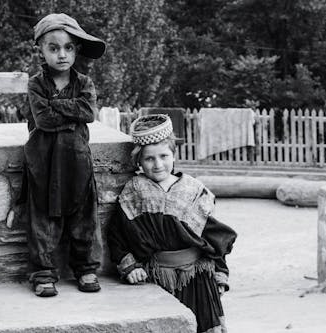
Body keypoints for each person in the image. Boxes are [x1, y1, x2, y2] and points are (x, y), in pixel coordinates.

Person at [107, 114, 237, 333]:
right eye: (149, 159)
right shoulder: (134, 191)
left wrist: (220, 273)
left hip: (199, 278)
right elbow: (117, 234)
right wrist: (130, 266)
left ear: (173, 155)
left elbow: (215, 238)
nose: (158, 164)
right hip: (157, 278)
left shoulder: (194, 190)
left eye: (164, 156)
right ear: (138, 161)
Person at [21, 13, 106, 297]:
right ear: (41, 51)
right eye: (53, 47)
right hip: (43, 162)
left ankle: (86, 268)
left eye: (68, 47)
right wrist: (70, 111)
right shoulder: (36, 84)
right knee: (43, 219)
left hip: (77, 160)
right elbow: (43, 119)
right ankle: (43, 273)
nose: (62, 55)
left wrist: (58, 106)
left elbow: (88, 112)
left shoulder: (84, 83)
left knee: (84, 218)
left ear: (76, 50)